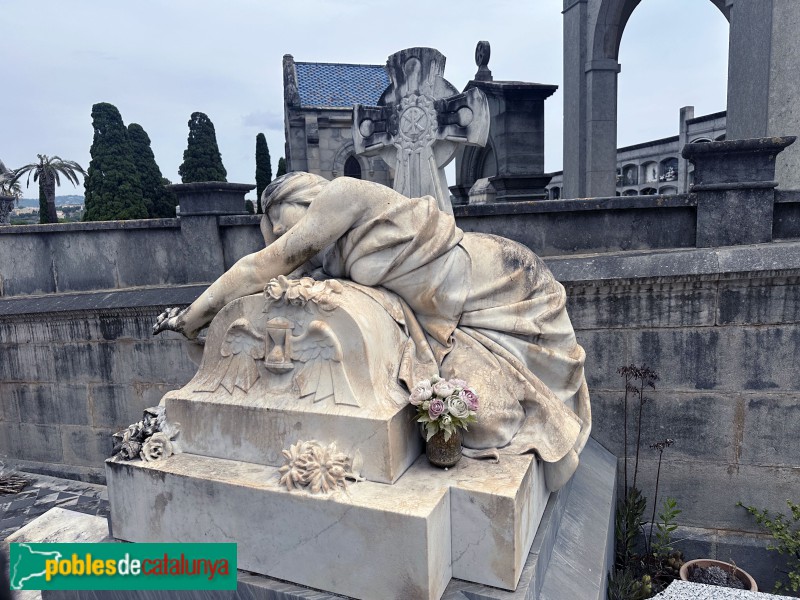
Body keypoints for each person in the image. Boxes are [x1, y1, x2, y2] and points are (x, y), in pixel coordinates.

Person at [155, 172, 590, 490]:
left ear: (308, 194)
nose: (289, 238)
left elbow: (259, 266)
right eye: (281, 233)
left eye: (289, 225)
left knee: (517, 421)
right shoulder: (332, 257)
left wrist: (190, 316)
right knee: (488, 425)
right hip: (454, 321)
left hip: (504, 284)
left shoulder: (344, 194)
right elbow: (271, 282)